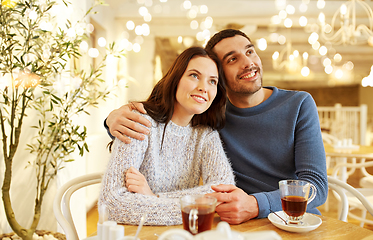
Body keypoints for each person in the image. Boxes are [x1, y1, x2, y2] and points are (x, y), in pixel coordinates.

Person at [104, 29, 328, 224]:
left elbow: (315, 186)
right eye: (232, 59)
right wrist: (111, 120)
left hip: (293, 219)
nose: (248, 62)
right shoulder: (211, 117)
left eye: (250, 51)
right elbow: (115, 197)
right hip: (234, 221)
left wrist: (255, 204)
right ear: (222, 80)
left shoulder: (299, 104)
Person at [99, 46, 235, 226]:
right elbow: (111, 203)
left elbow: (224, 191)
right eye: (194, 75)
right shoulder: (139, 122)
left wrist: (153, 196)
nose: (203, 87)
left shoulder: (206, 135)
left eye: (212, 81)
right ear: (176, 79)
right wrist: (195, 208)